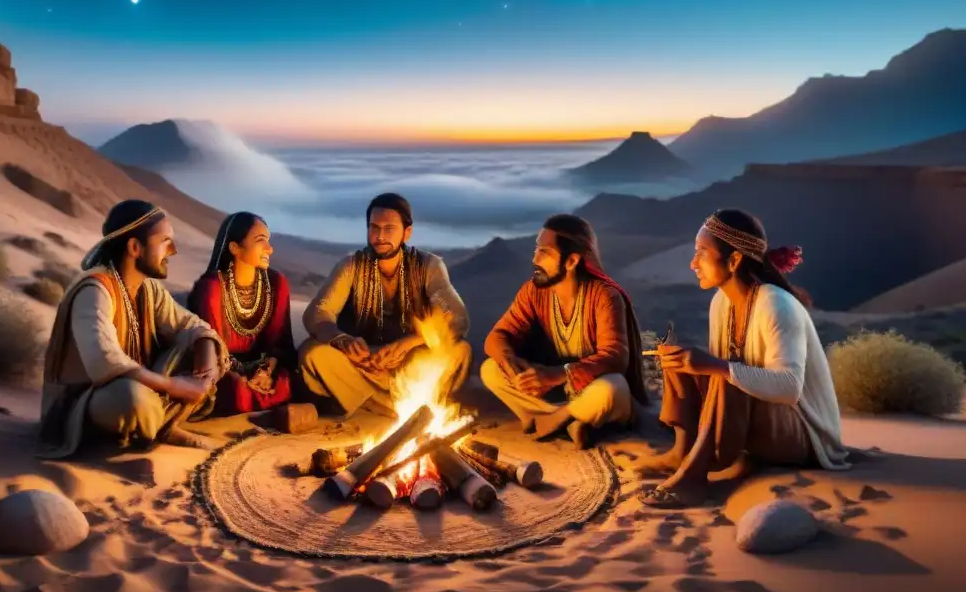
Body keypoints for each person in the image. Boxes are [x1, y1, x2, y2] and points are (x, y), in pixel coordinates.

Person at [636, 208, 849, 509]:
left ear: (734, 260)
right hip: (759, 425)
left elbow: (789, 388)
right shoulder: (721, 302)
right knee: (680, 359)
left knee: (725, 372)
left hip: (802, 439)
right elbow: (722, 382)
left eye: (701, 254)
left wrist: (717, 367)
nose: (693, 263)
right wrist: (692, 365)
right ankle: (682, 451)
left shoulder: (777, 305)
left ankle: (694, 478)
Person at [36, 200, 230, 459]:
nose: (172, 251)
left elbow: (192, 325)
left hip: (146, 388)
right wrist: (174, 386)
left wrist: (204, 371)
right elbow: (104, 362)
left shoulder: (149, 290)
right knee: (130, 399)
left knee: (202, 351)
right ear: (135, 247)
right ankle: (156, 426)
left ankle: (156, 426)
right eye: (165, 242)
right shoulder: (95, 290)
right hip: (84, 403)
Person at [481, 214, 649, 449]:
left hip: (589, 390)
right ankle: (569, 420)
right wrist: (513, 366)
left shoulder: (605, 296)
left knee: (613, 389)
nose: (535, 259)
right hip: (552, 393)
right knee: (491, 369)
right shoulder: (533, 292)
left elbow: (615, 357)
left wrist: (556, 375)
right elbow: (498, 337)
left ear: (571, 262)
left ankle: (552, 419)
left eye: (545, 252)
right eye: (536, 249)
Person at [299, 193, 471, 418]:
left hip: (412, 362)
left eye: (389, 228)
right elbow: (317, 313)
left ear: (407, 232)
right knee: (312, 353)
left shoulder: (429, 266)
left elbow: (457, 318)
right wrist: (343, 340)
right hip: (363, 363)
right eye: (374, 228)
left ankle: (371, 407)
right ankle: (405, 410)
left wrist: (410, 343)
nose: (380, 236)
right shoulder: (352, 266)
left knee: (460, 351)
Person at [187, 212, 298, 416]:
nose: (270, 249)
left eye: (269, 241)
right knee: (235, 391)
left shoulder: (276, 283)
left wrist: (266, 372)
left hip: (264, 370)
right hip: (224, 372)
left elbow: (280, 344)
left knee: (290, 381)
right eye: (260, 240)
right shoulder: (212, 288)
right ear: (235, 248)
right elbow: (212, 351)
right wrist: (245, 378)